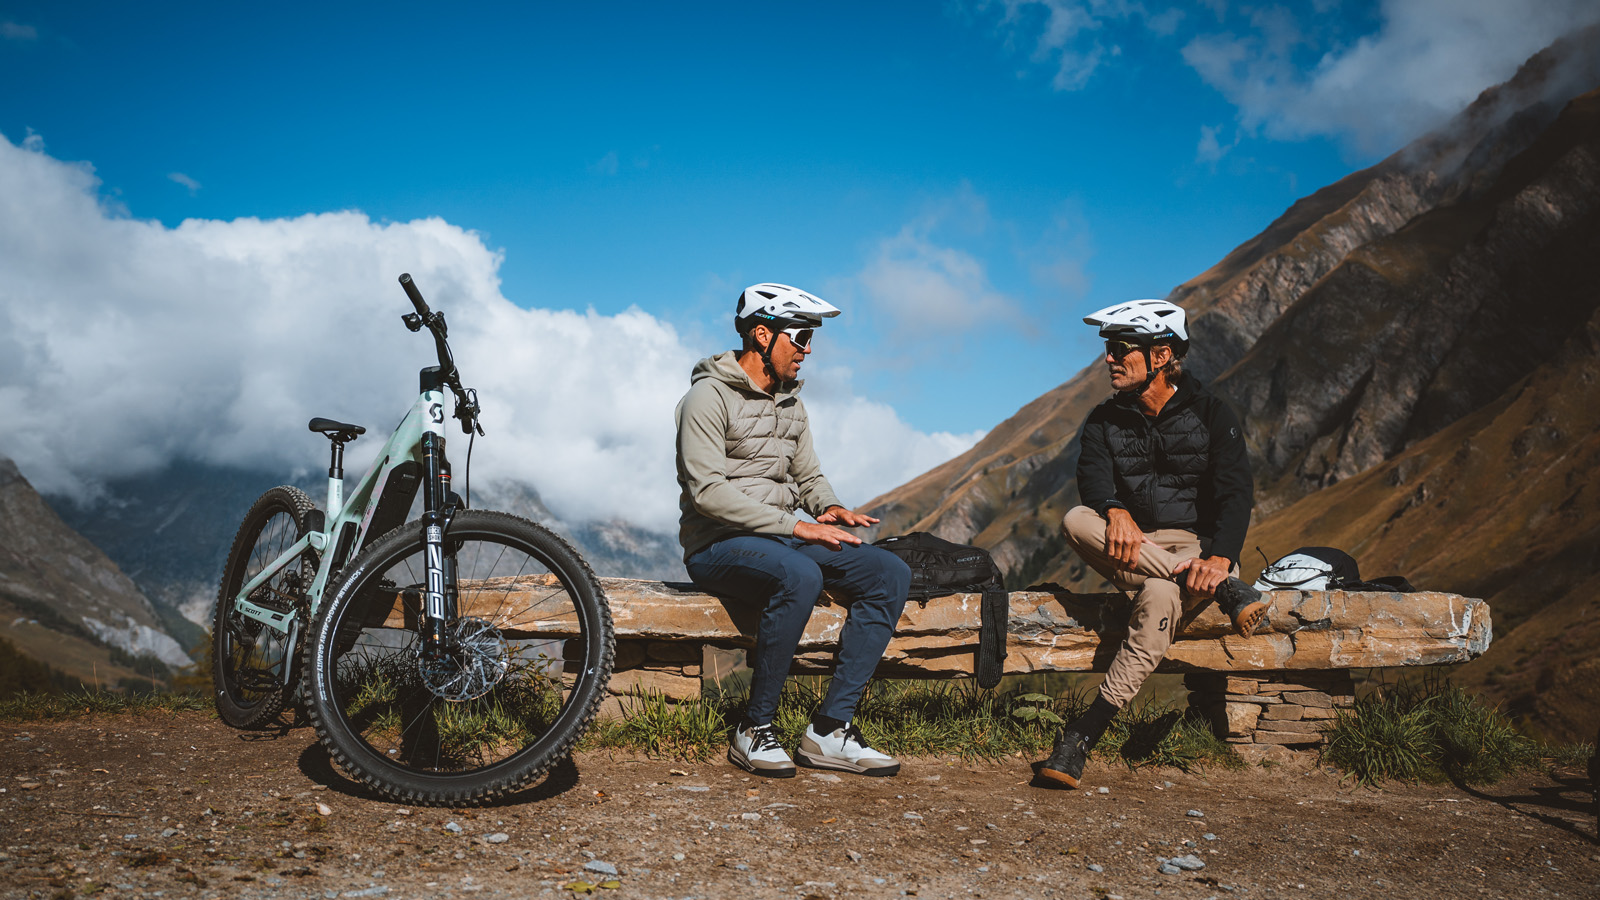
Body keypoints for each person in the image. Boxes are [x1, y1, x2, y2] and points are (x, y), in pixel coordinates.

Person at [675, 282, 911, 778]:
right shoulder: (706, 398)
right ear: (762, 335)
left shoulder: (792, 405)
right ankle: (754, 727)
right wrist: (797, 528)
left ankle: (830, 728)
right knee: (801, 575)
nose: (808, 351)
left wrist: (830, 508)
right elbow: (707, 494)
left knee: (888, 572)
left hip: (784, 539)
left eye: (810, 340)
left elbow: (809, 476)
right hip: (717, 544)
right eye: (800, 337)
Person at [1036, 298, 1267, 789]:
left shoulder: (1212, 413)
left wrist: (1220, 558)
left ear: (1161, 356)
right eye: (1109, 349)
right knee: (1077, 519)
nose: (1109, 359)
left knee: (1161, 594)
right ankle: (1226, 591)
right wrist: (1115, 511)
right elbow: (1092, 483)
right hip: (1132, 548)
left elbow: (1235, 494)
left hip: (1199, 553)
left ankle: (1081, 736)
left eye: (1121, 348)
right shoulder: (1102, 420)